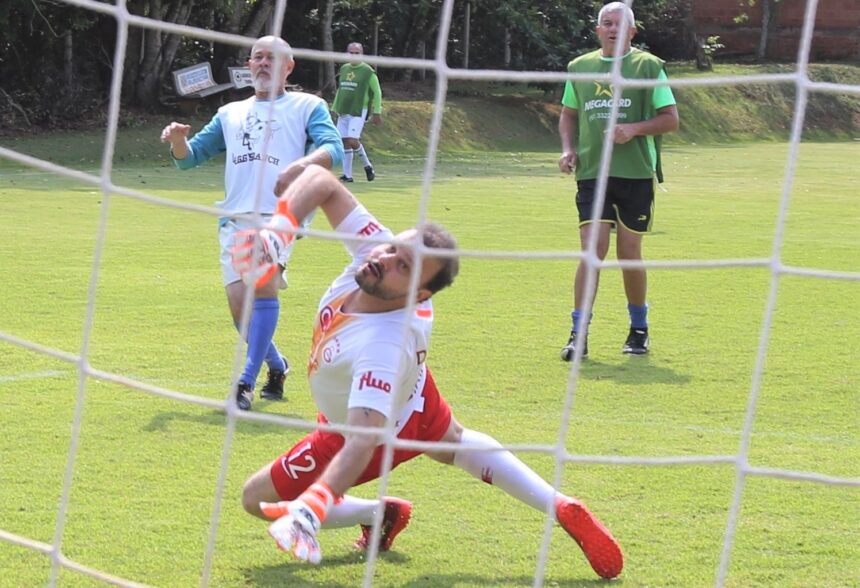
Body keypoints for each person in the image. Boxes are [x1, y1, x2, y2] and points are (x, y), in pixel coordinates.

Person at [235, 165, 624, 580]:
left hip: (365, 428)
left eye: (402, 265)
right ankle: (560, 504)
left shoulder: (382, 346)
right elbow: (323, 180)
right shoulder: (379, 257)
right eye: (390, 249)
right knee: (452, 441)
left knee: (255, 498)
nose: (383, 259)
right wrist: (279, 230)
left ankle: (375, 513)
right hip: (416, 395)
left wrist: (314, 503)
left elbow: (363, 440)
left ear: (418, 294)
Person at [160, 36, 343, 410]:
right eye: (257, 57)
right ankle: (277, 365)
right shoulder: (230, 113)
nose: (263, 64)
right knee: (239, 308)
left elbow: (334, 149)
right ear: (249, 64)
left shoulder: (308, 105)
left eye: (272, 58)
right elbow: (189, 158)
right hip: (234, 218)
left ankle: (243, 382)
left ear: (288, 67)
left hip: (280, 215)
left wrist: (300, 166)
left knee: (262, 288)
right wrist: (178, 140)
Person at [558, 2, 679, 361]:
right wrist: (568, 149)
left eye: (620, 23)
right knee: (592, 252)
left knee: (629, 254)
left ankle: (638, 329)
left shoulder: (648, 67)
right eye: (606, 23)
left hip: (636, 174)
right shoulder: (579, 68)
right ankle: (578, 335)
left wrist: (633, 130)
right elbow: (568, 114)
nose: (613, 29)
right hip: (593, 173)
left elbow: (670, 119)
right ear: (598, 30)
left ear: (632, 31)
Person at [331, 42, 382, 183]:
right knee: (343, 141)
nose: (353, 55)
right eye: (351, 53)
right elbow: (341, 89)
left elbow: (377, 92)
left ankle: (367, 166)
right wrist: (336, 107)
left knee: (353, 140)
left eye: (357, 53)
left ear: (362, 54)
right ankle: (347, 175)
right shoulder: (344, 68)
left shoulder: (368, 72)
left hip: (358, 110)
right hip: (344, 110)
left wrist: (377, 111)